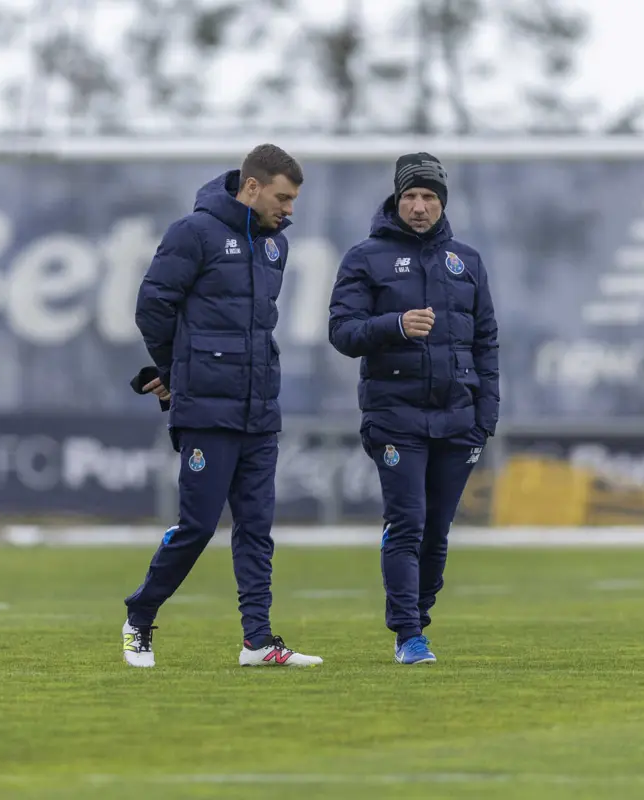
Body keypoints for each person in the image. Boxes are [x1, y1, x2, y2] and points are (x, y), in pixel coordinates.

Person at [121, 144, 323, 669]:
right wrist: (175, 373)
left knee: (257, 528)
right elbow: (152, 307)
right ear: (251, 187)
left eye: (295, 199)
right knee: (198, 526)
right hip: (207, 411)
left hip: (260, 411)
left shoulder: (277, 247)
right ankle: (139, 616)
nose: (290, 209)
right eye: (283, 197)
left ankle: (258, 641)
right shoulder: (194, 232)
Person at [328, 153, 499, 665]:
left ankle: (417, 616)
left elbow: (486, 343)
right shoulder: (365, 258)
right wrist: (394, 325)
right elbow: (342, 332)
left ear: (442, 202)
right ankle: (407, 634)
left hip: (458, 420)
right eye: (410, 197)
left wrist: (484, 418)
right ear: (396, 200)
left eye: (428, 197)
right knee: (408, 523)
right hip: (395, 418)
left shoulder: (465, 262)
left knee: (437, 534)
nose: (419, 207)